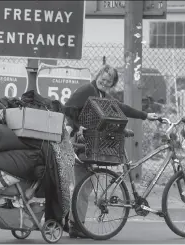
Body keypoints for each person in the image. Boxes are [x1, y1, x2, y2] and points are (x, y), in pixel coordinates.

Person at [63, 64, 159, 238]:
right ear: (98, 75)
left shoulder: (101, 95)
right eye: (103, 78)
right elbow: (68, 108)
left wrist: (145, 116)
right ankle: (75, 225)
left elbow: (120, 108)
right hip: (78, 140)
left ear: (112, 83)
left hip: (89, 142)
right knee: (83, 185)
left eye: (109, 81)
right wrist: (77, 127)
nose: (104, 82)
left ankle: (71, 220)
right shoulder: (87, 90)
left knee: (85, 184)